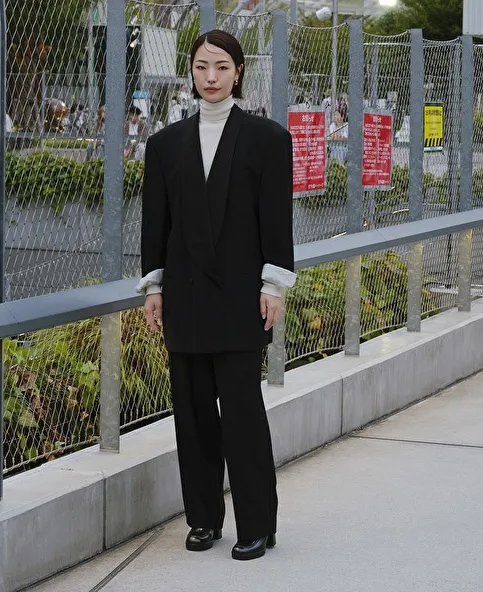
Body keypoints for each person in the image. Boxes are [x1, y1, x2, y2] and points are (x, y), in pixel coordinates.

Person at [136, 30, 296, 561]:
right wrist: (153, 286)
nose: (211, 77)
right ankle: (203, 519)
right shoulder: (164, 145)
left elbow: (276, 222)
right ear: (190, 71)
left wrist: (273, 284)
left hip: (241, 299)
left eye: (221, 67)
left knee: (243, 414)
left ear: (239, 72)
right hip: (184, 296)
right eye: (202, 66)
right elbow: (155, 225)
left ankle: (258, 524)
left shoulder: (267, 139)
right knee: (193, 414)